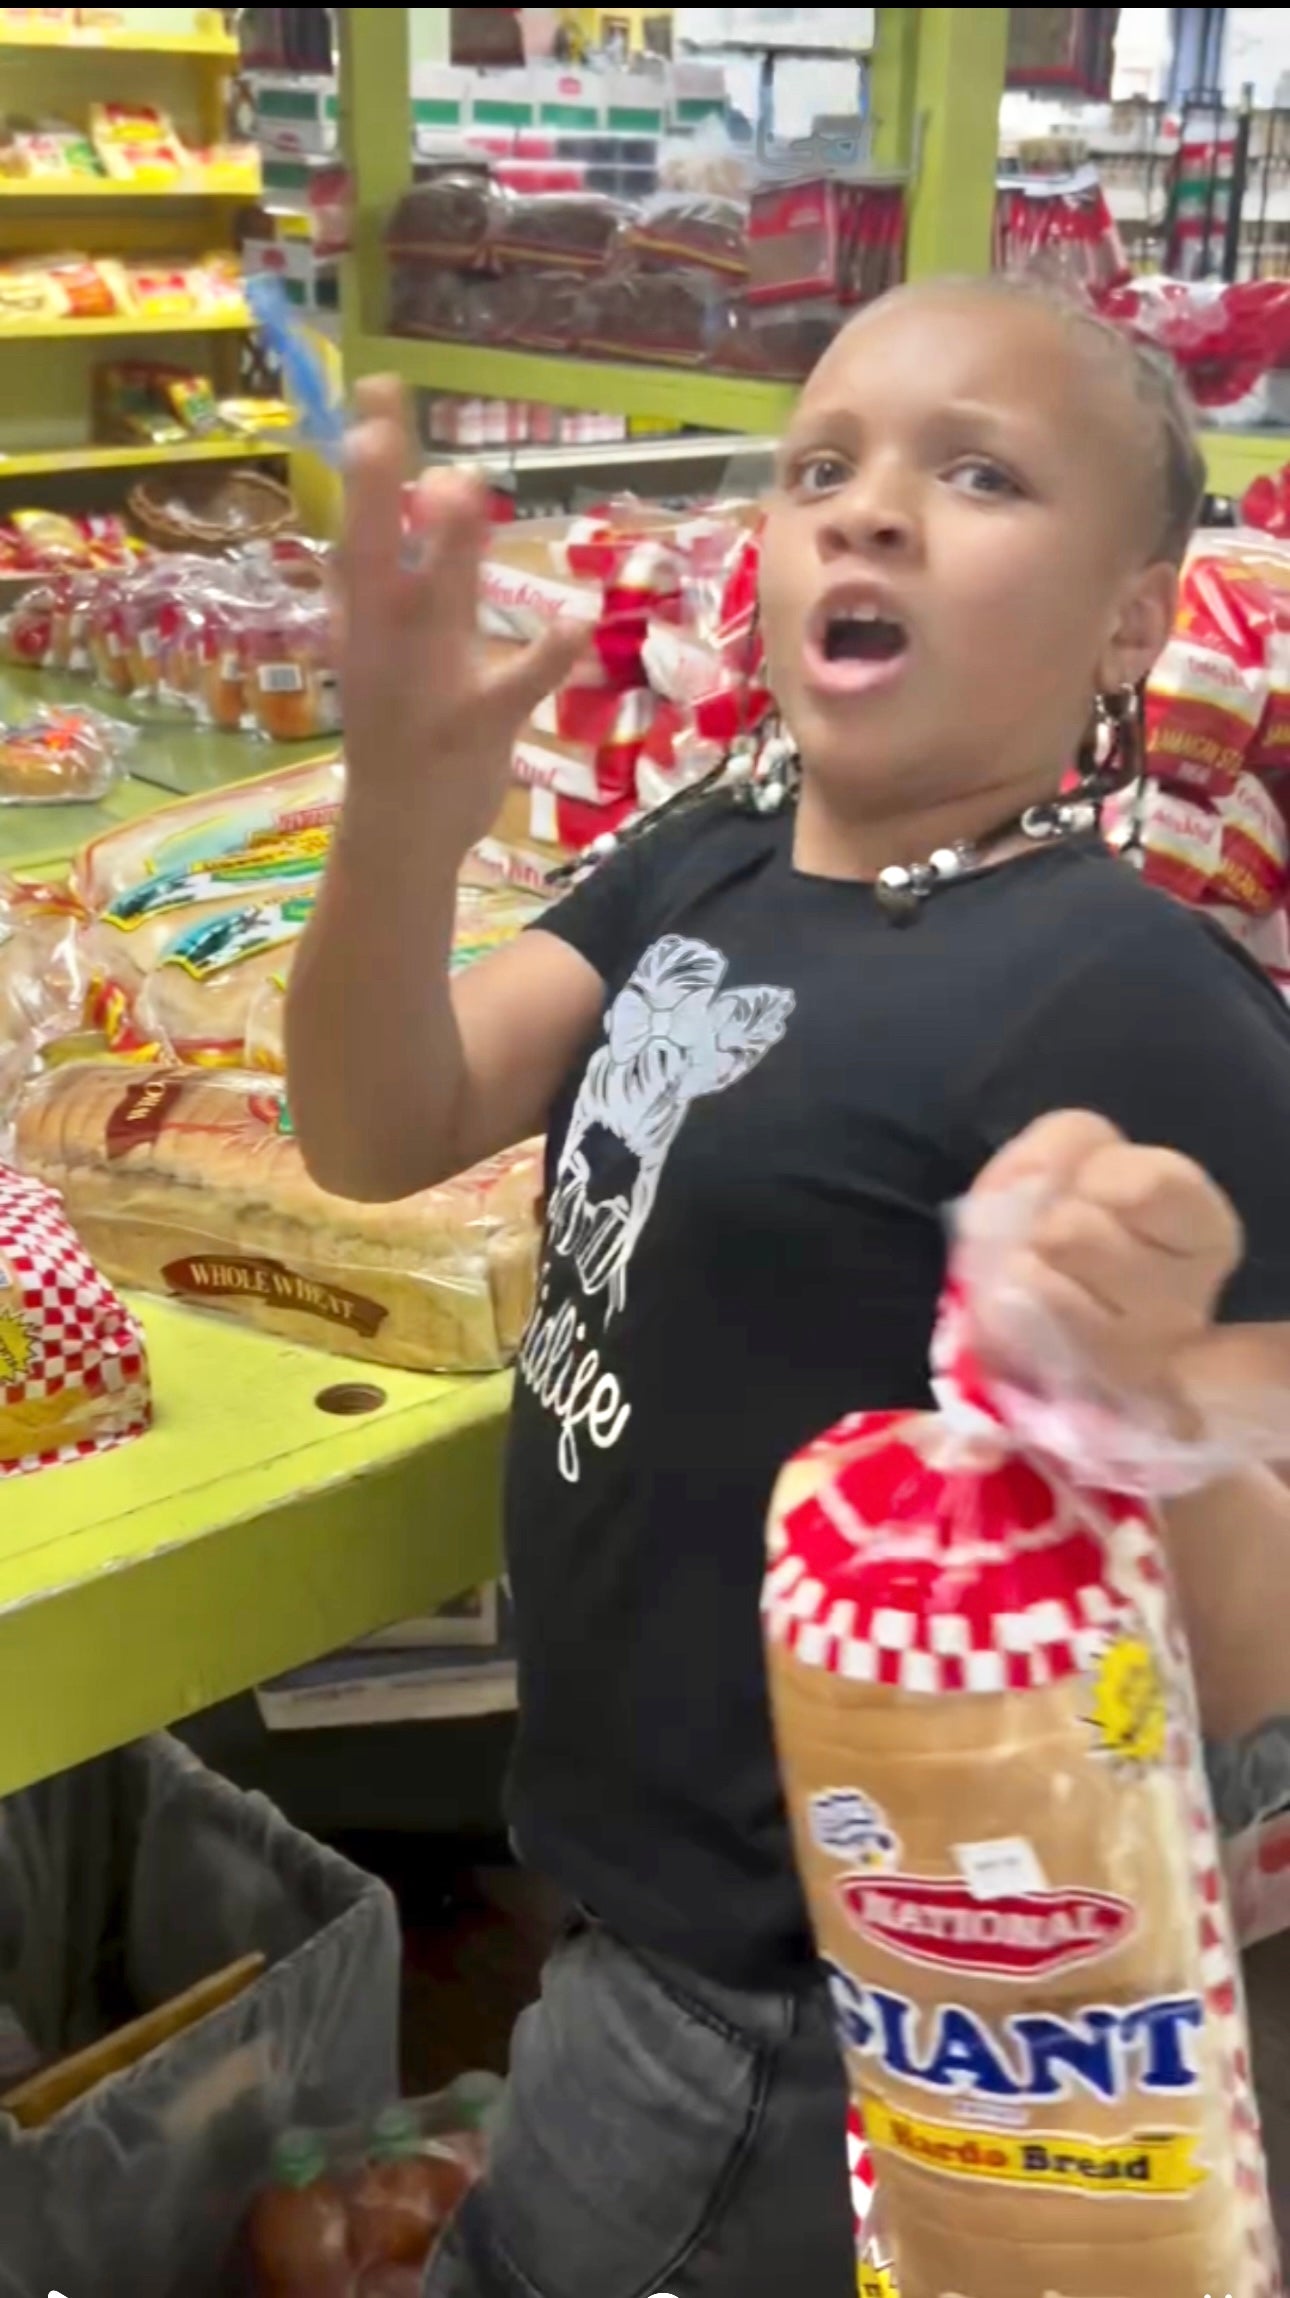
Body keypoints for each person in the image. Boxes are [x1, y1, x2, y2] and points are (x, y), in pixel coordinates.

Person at [288, 277, 1290, 2297]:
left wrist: (1147, 1398)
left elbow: (1257, 1651)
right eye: (822, 464)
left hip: (783, 2009)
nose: (869, 509)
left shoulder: (1134, 1000)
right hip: (621, 1883)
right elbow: (382, 1124)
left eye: (979, 473)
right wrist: (396, 810)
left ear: (1129, 621)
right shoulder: (715, 850)